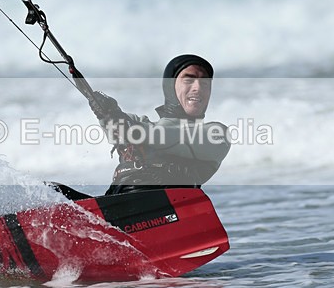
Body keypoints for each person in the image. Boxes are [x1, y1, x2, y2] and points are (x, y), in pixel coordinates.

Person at [88, 54, 231, 195]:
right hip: (118, 203)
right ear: (170, 86)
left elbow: (169, 137)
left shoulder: (217, 134)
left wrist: (131, 129)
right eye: (189, 80)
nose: (198, 87)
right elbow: (117, 129)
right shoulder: (141, 124)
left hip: (170, 208)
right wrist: (104, 113)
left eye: (205, 83)